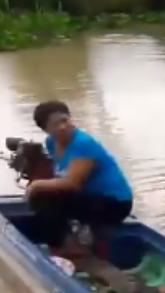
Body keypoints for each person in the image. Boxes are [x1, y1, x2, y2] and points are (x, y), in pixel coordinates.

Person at [26, 101, 134, 259]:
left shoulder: (83, 143)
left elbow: (72, 183)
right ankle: (65, 240)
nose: (62, 127)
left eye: (65, 120)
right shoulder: (51, 143)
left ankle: (68, 247)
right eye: (55, 124)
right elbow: (59, 175)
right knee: (42, 200)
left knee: (42, 195)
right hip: (91, 198)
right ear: (45, 129)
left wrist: (36, 184)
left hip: (115, 204)